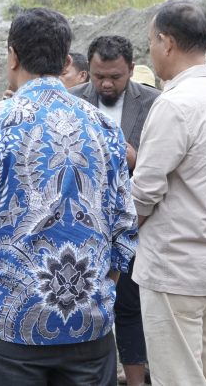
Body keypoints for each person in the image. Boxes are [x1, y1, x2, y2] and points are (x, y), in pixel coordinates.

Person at [0, 7, 137, 384]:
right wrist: (96, 295)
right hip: (89, 324)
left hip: (7, 325)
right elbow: (124, 226)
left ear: (12, 56)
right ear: (66, 61)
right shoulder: (104, 127)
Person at [130, 0, 206, 386]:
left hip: (174, 266)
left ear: (167, 42)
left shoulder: (175, 104)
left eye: (151, 42)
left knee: (179, 376)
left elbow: (144, 191)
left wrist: (122, 231)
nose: (151, 51)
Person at [69, 34, 160, 386]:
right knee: (84, 301)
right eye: (99, 76)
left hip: (136, 220)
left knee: (129, 305)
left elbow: (164, 164)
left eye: (115, 77)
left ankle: (135, 379)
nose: (106, 84)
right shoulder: (72, 100)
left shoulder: (154, 103)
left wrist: (135, 158)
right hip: (82, 224)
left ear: (131, 70)